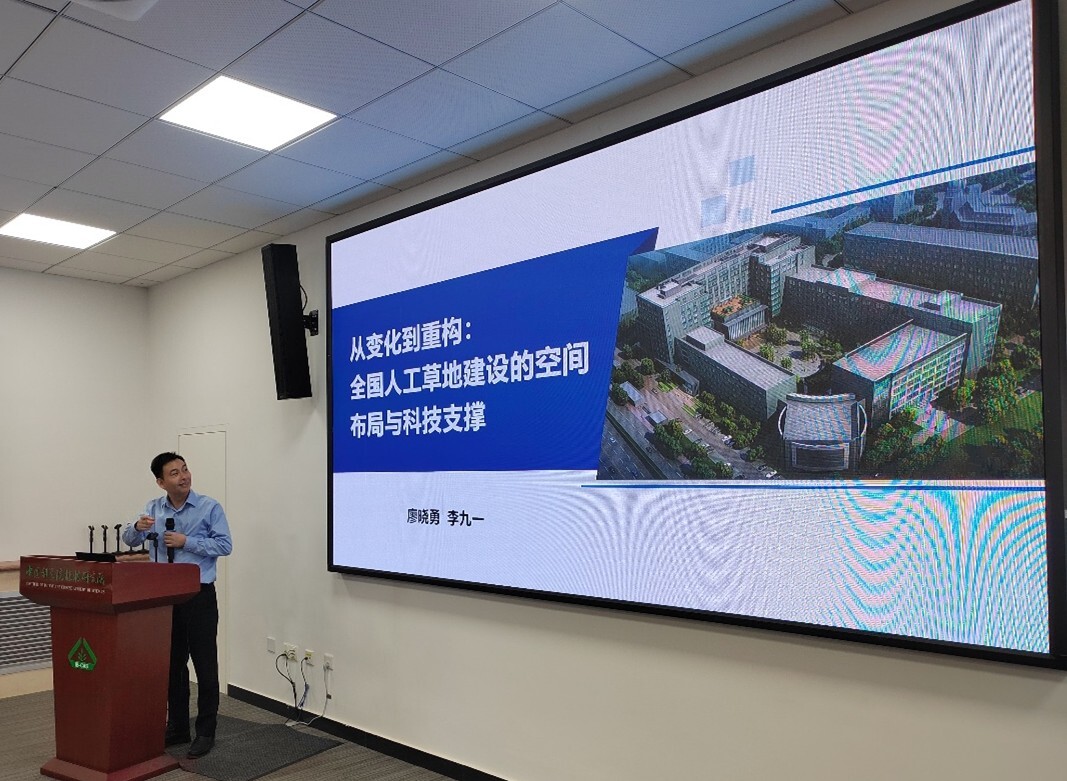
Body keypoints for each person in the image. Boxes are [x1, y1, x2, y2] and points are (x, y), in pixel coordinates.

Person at [122, 452, 232, 759]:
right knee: (172, 666)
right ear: (161, 482)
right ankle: (178, 727)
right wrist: (137, 527)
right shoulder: (153, 508)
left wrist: (187, 542)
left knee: (205, 666)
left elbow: (225, 545)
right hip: (165, 599)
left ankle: (206, 732)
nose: (183, 476)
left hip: (199, 596)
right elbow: (130, 540)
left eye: (184, 470)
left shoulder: (209, 507)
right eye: (174, 473)